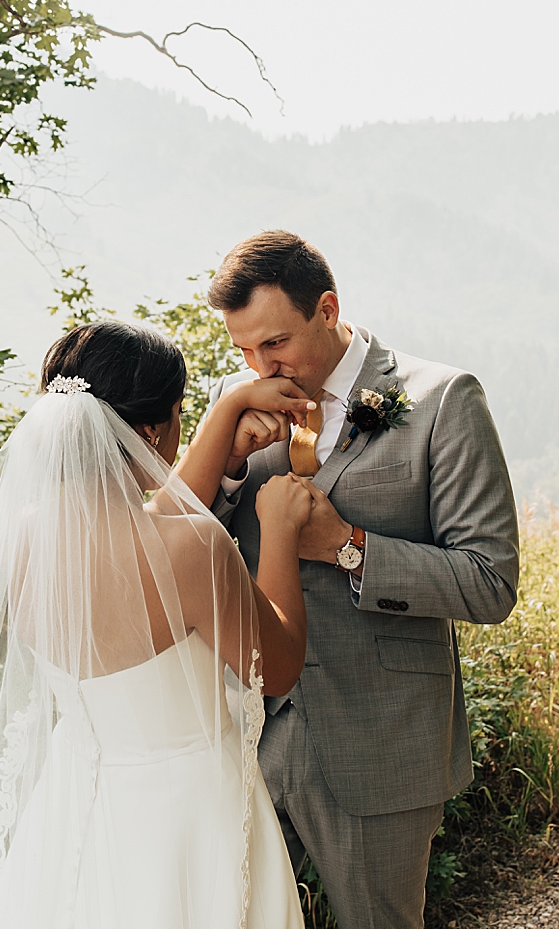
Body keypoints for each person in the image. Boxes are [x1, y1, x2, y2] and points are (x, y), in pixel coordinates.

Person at [0, 319, 315, 929]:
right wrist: (279, 533)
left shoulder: (26, 534)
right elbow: (276, 669)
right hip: (188, 814)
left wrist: (223, 418)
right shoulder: (194, 547)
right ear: (149, 431)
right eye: (176, 416)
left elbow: (145, 535)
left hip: (75, 802)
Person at [193, 231, 521, 929]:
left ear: (328, 307)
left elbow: (490, 580)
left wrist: (347, 545)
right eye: (243, 349)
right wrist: (225, 471)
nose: (259, 365)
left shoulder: (441, 399)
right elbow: (182, 549)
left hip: (381, 736)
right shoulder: (234, 401)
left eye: (274, 343)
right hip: (244, 731)